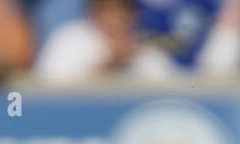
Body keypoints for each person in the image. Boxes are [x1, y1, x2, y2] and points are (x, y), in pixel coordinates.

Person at [34, 0, 176, 83]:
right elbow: (49, 88)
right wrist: (108, 65)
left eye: (122, 11)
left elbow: (168, 89)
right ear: (93, 13)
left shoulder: (145, 47)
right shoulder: (70, 38)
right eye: (109, 11)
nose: (117, 19)